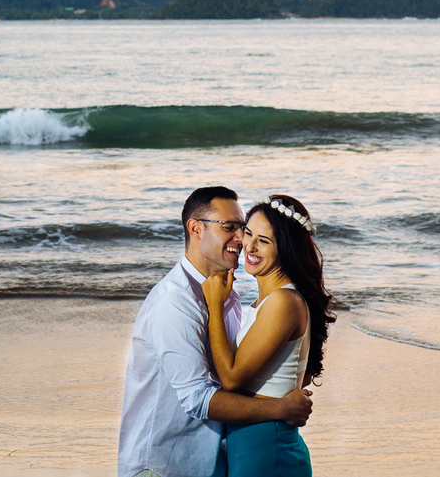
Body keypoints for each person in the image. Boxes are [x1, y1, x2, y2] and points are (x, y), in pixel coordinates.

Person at [118, 186, 314, 477]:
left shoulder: (227, 297)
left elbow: (240, 375)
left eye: (242, 228)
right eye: (230, 227)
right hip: (165, 467)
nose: (242, 240)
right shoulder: (176, 301)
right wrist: (282, 408)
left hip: (213, 462)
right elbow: (201, 397)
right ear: (196, 229)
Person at [201, 195, 336, 477]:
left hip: (267, 449)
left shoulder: (283, 302)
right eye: (248, 233)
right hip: (253, 445)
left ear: (285, 248)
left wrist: (214, 304)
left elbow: (232, 378)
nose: (249, 246)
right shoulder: (269, 301)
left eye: (263, 240)